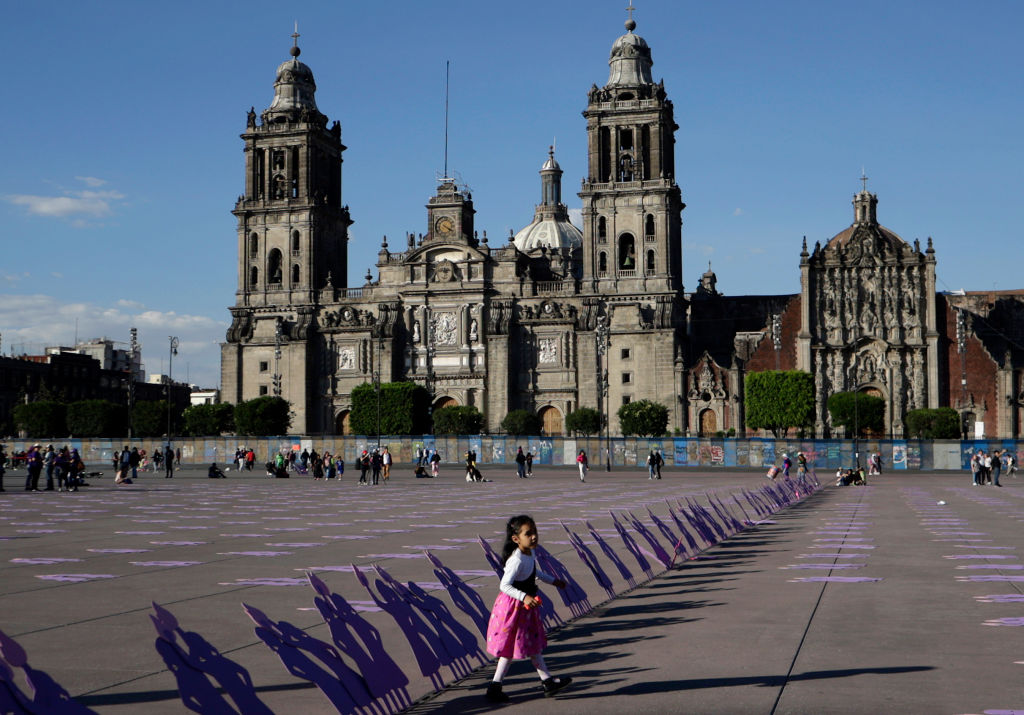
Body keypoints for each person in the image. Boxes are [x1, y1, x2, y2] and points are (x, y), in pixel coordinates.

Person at [484, 514, 572, 703]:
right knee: (515, 647)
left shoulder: (529, 553)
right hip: (513, 609)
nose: (534, 537)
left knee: (529, 644)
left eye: (535, 532)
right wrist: (525, 596)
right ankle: (499, 686)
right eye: (528, 534)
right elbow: (504, 585)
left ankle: (543, 681)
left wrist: (553, 580)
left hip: (525, 608)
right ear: (516, 539)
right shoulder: (515, 559)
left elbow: (533, 572)